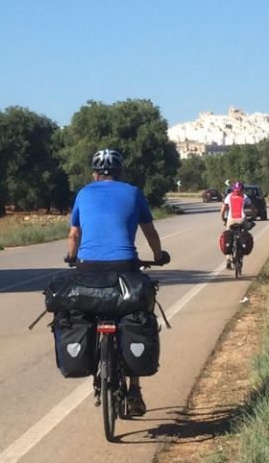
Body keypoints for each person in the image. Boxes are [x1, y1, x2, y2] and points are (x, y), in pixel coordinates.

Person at [65, 148, 169, 417]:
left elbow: (74, 235)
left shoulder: (83, 193)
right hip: (125, 266)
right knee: (136, 314)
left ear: (94, 174)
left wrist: (71, 257)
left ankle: (94, 367)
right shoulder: (133, 193)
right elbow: (150, 232)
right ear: (120, 172)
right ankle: (134, 390)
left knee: (88, 313)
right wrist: (159, 256)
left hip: (87, 267)